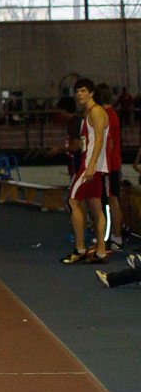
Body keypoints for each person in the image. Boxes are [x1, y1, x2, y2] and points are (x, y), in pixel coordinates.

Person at [62, 78, 110, 265]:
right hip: (93, 165)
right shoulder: (89, 113)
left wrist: (90, 166)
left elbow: (99, 140)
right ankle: (100, 252)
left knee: (72, 202)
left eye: (82, 91)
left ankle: (80, 249)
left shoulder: (96, 111)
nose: (79, 94)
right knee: (96, 208)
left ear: (91, 92)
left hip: (90, 166)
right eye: (77, 91)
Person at [96, 84, 124, 251]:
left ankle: (116, 237)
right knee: (112, 200)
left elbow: (110, 143)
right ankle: (115, 236)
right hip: (112, 164)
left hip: (109, 165)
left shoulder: (106, 116)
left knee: (111, 200)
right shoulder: (111, 115)